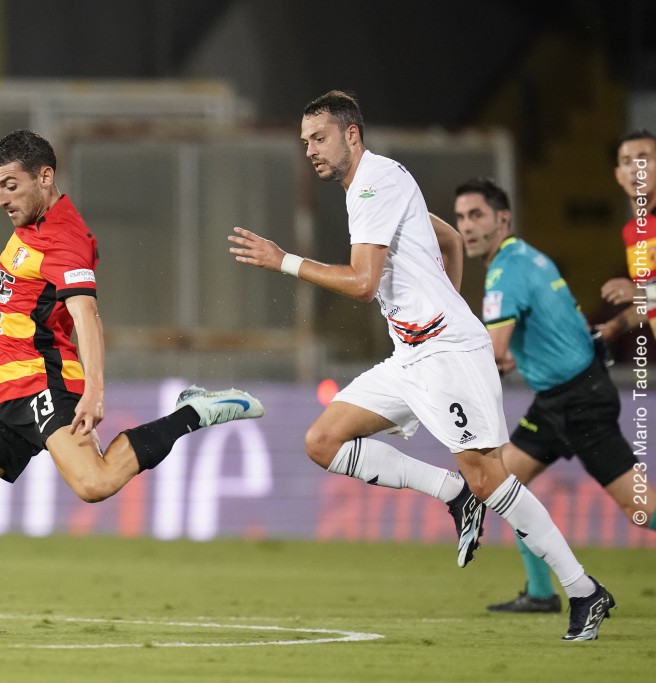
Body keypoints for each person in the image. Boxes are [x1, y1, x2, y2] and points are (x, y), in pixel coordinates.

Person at [0, 130, 264, 636]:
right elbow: (28, 268)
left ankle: (193, 411)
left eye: (10, 185)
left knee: (94, 484)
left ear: (45, 176)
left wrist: (95, 391)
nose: (0, 199)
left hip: (47, 382)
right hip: (6, 390)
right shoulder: (31, 223)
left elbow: (86, 316)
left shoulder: (65, 237)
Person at [228, 90, 613, 641]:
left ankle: (583, 589)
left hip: (448, 353)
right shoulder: (373, 183)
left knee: (490, 477)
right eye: (305, 141)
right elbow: (449, 239)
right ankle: (451, 493)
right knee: (323, 441)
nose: (310, 149)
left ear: (351, 134)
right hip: (412, 356)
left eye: (320, 138)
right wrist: (446, 302)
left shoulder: (373, 184)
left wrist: (283, 260)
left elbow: (363, 284)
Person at [453, 177, 655, 614]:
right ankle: (541, 593)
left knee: (640, 509)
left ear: (502, 219)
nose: (466, 226)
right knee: (504, 483)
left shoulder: (504, 274)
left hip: (581, 401)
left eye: (476, 215)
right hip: (558, 398)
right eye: (461, 217)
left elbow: (494, 353)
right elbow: (546, 328)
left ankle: (546, 591)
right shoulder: (528, 257)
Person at [597, 130, 656, 340]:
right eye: (627, 162)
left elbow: (647, 294)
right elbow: (652, 301)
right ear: (619, 175)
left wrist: (641, 293)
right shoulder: (632, 232)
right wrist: (615, 326)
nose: (635, 169)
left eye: (643, 159)